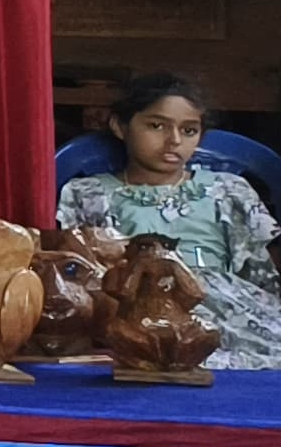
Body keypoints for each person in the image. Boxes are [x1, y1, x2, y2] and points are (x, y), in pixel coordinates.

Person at [57, 73, 280, 369]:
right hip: (143, 308)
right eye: (156, 126)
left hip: (231, 304)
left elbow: (259, 274)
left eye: (189, 130)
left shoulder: (227, 188)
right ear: (120, 127)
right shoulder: (90, 192)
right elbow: (90, 272)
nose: (174, 140)